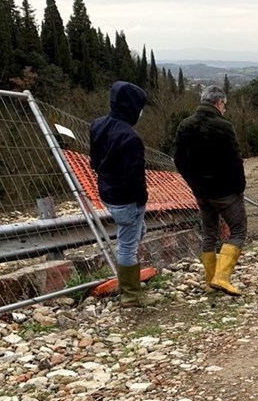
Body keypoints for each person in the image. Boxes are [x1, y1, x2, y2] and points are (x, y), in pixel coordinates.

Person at [89, 81, 158, 307]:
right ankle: (131, 294)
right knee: (128, 246)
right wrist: (142, 200)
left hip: (108, 193)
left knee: (138, 232)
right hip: (128, 199)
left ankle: (126, 271)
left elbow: (94, 160)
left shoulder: (97, 125)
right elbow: (135, 176)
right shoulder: (131, 137)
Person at [174, 85, 247, 296]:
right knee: (239, 230)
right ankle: (222, 278)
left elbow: (179, 160)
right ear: (220, 103)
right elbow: (236, 161)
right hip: (225, 192)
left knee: (209, 234)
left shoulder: (184, 126)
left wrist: (193, 183)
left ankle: (209, 281)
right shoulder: (224, 127)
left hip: (201, 192)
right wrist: (239, 188)